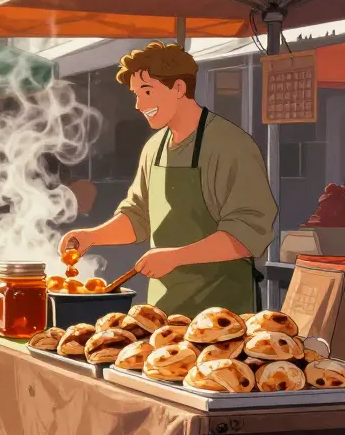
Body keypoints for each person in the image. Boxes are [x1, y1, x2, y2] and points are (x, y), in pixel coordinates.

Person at [60, 42, 276, 316]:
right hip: (162, 311)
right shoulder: (155, 147)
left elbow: (247, 234)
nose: (139, 105)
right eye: (136, 95)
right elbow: (138, 217)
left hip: (223, 312)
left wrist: (176, 257)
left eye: (147, 91)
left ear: (178, 88)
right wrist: (92, 236)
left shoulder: (230, 145)